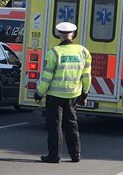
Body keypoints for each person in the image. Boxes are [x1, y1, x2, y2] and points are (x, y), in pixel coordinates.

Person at [34, 22, 91, 164]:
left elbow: (47, 77)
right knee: (72, 125)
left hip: (55, 96)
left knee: (55, 126)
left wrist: (39, 93)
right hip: (73, 95)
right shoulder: (83, 52)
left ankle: (54, 155)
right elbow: (86, 75)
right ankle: (75, 154)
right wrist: (85, 92)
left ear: (59, 34)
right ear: (73, 34)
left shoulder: (54, 53)